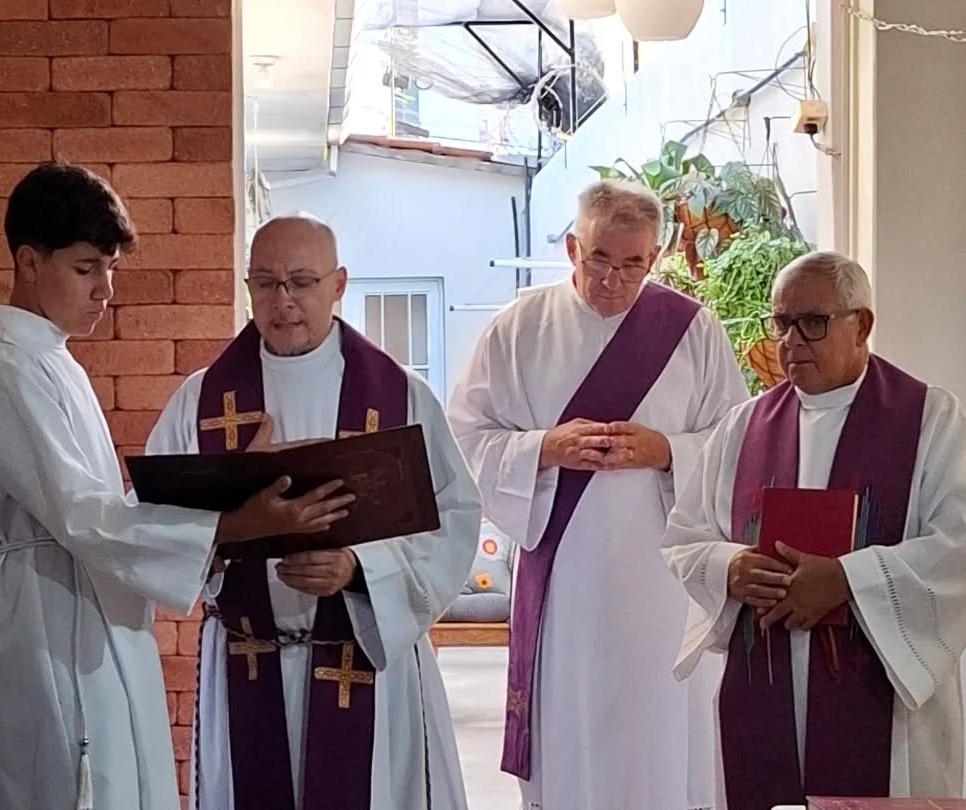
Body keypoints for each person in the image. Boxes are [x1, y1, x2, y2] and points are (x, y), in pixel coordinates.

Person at [0, 163, 355, 810]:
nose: (105, 289)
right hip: (47, 616)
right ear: (28, 261)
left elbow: (103, 512)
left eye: (110, 269)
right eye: (86, 268)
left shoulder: (52, 361)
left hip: (94, 605)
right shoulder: (2, 371)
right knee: (68, 785)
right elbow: (81, 516)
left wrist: (230, 491)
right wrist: (234, 526)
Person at [146, 213, 481, 810]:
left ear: (338, 284)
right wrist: (226, 526)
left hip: (365, 664)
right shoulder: (202, 400)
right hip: (246, 656)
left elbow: (452, 520)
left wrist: (358, 568)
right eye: (266, 283)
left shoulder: (401, 396)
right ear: (247, 286)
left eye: (301, 282)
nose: (284, 301)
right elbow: (152, 527)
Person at [447, 180, 749, 810]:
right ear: (571, 248)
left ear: (655, 256)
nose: (613, 280)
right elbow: (465, 436)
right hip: (566, 583)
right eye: (600, 259)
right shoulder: (519, 328)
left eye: (632, 264)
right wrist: (544, 448)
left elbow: (740, 442)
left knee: (659, 733)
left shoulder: (691, 330)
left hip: (663, 584)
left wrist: (667, 451)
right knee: (573, 729)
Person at [661, 251, 966, 808]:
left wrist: (848, 581)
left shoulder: (931, 419)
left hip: (885, 703)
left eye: (813, 322)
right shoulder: (743, 425)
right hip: (764, 680)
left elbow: (958, 546)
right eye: (781, 322)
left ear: (862, 325)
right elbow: (685, 535)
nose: (791, 341)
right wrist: (730, 566)